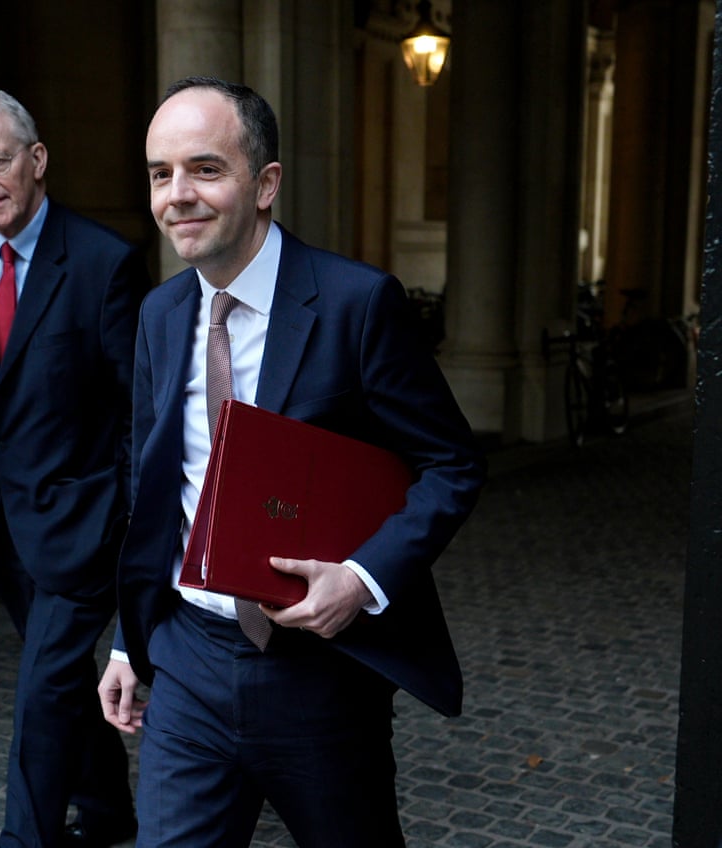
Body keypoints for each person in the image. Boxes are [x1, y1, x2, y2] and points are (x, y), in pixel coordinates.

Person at [97, 76, 486, 846]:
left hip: (319, 674)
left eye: (205, 169)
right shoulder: (159, 314)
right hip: (189, 663)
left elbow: (451, 464)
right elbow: (153, 488)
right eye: (159, 173)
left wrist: (363, 579)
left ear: (266, 182)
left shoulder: (356, 303)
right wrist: (126, 636)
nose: (177, 194)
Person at [0, 89, 150, 848]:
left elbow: (137, 409)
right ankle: (113, 812)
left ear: (37, 159)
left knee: (41, 694)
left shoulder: (103, 263)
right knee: (57, 683)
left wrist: (122, 510)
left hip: (82, 524)